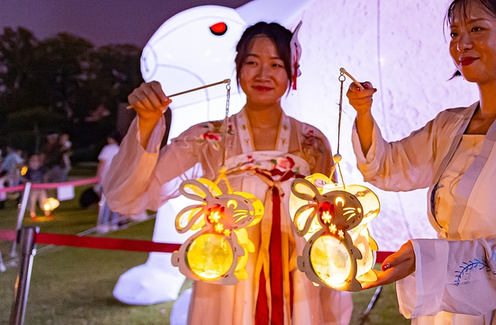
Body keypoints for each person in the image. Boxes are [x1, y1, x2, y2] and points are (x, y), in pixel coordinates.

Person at [347, 0, 496, 324]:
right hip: (441, 306)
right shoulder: (449, 124)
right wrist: (363, 114)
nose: (462, 44)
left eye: (477, 29)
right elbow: (386, 166)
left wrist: (430, 259)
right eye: (455, 33)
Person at [103, 22, 352, 325]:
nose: (263, 74)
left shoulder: (314, 142)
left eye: (276, 64)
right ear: (237, 68)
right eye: (252, 63)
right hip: (227, 269)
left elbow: (329, 220)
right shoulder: (208, 136)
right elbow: (129, 194)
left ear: (292, 71)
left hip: (295, 274)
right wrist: (147, 123)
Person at [95, 131, 122, 232]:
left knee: (105, 201)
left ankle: (104, 223)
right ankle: (114, 222)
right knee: (114, 200)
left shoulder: (107, 149)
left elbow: (103, 162)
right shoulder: (120, 149)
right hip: (116, 177)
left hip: (107, 177)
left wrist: (98, 175)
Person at [24, 153, 49, 218]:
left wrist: (44, 183)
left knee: (44, 200)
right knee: (32, 201)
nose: (35, 162)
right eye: (33, 160)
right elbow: (25, 179)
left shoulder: (41, 169)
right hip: (33, 189)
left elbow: (45, 176)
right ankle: (33, 214)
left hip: (41, 188)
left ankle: (47, 212)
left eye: (36, 160)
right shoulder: (28, 170)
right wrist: (30, 183)